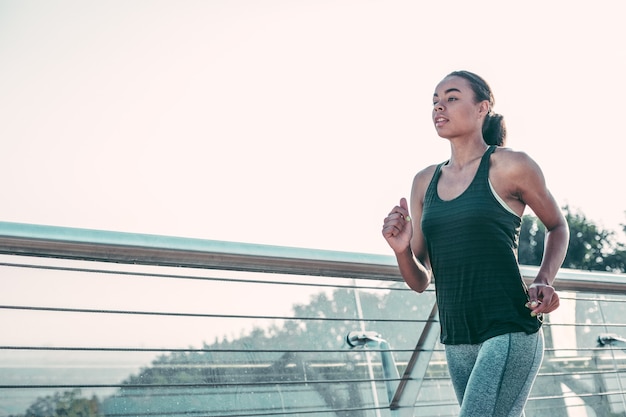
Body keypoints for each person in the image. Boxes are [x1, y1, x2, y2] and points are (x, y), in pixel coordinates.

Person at [381, 70, 569, 417]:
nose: (440, 107)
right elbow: (421, 280)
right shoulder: (424, 181)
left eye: (451, 98)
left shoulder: (511, 165)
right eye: (435, 101)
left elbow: (557, 226)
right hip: (456, 337)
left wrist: (544, 278)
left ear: (482, 108)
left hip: (509, 327)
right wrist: (402, 249)